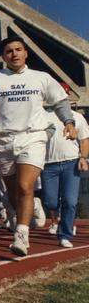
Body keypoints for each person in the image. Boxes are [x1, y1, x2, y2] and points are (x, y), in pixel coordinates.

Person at [0, 35, 77, 256]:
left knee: (25, 186)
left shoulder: (41, 78)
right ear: (3, 56)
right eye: (9, 51)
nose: (14, 54)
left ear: (26, 53)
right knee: (12, 192)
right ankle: (33, 206)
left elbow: (59, 101)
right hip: (3, 139)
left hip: (32, 136)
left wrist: (69, 122)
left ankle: (21, 235)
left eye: (18, 49)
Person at [40, 87, 88, 248]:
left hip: (71, 163)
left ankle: (65, 234)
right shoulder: (44, 116)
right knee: (50, 201)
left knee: (70, 201)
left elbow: (84, 140)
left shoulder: (77, 117)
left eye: (65, 94)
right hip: (48, 164)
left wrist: (83, 157)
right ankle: (59, 218)